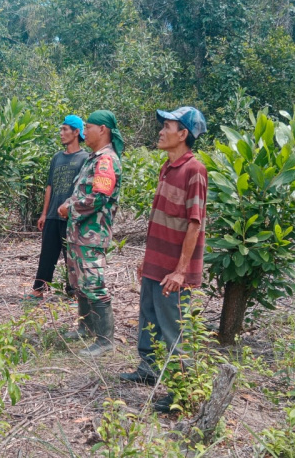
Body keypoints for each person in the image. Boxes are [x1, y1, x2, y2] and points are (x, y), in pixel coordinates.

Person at [119, 106, 208, 413]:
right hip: (157, 264)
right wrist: (148, 259)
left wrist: (181, 271)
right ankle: (148, 370)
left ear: (183, 134)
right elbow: (161, 219)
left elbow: (195, 223)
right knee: (149, 318)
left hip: (174, 270)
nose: (161, 131)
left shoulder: (194, 170)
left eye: (167, 126)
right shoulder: (167, 167)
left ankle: (182, 392)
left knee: (173, 329)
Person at [58, 110, 124, 357]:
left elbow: (98, 197)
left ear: (103, 130)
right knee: (80, 282)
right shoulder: (94, 158)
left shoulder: (106, 160)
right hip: (79, 232)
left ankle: (105, 339)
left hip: (92, 234)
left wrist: (69, 207)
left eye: (89, 126)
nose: (85, 131)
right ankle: (85, 328)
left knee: (94, 283)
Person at [28, 115, 89, 300]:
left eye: (65, 129)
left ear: (76, 132)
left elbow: (83, 189)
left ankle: (74, 292)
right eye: (61, 129)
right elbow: (50, 186)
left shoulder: (85, 158)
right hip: (53, 215)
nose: (61, 133)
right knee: (47, 254)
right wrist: (44, 213)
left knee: (71, 255)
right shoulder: (57, 158)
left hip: (70, 216)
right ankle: (39, 289)